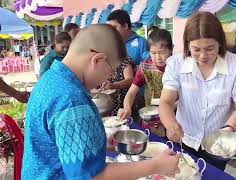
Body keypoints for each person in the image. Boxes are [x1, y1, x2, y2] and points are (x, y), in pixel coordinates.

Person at [22, 24, 180, 179]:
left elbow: (57, 145)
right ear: (98, 60)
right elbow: (91, 176)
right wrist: (155, 166)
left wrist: (97, 146)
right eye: (110, 72)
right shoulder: (71, 100)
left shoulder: (51, 78)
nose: (107, 79)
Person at [159, 12, 236, 171]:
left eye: (210, 49)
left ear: (220, 43)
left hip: (218, 145)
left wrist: (228, 130)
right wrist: (171, 125)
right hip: (184, 139)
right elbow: (166, 101)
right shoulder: (176, 64)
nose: (203, 56)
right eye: (196, 49)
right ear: (187, 44)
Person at [118, 29, 173, 137]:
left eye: (162, 52)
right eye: (153, 53)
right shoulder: (145, 67)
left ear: (171, 49)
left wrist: (171, 107)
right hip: (150, 117)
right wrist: (127, 108)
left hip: (173, 117)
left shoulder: (178, 67)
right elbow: (131, 93)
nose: (157, 57)